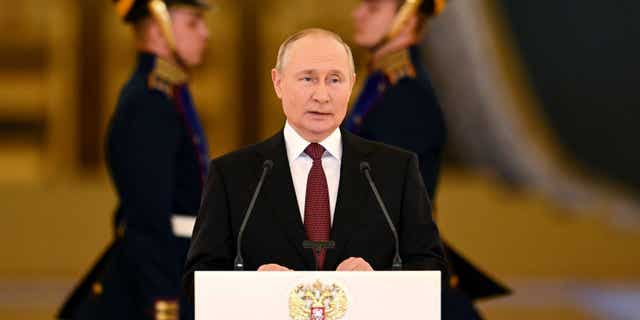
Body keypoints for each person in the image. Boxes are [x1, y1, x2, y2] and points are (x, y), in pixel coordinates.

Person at [183, 28, 447, 299]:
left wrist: (377, 284)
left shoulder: (396, 170)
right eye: (307, 79)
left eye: (335, 80)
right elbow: (197, 280)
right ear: (278, 82)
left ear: (352, 84)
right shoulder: (232, 175)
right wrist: (253, 286)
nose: (322, 96)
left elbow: (432, 270)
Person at [347, 0, 509, 319]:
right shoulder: (382, 85)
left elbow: (393, 206)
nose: (358, 13)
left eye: (374, 7)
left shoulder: (406, 95)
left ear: (406, 21)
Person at [58, 1, 211, 319]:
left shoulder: (168, 93)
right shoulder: (149, 104)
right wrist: (164, 304)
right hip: (160, 280)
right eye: (194, 22)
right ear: (158, 30)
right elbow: (148, 218)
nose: (205, 33)